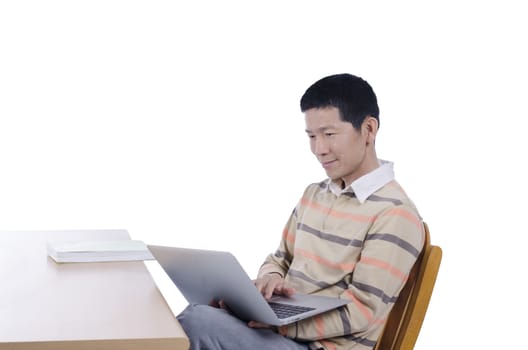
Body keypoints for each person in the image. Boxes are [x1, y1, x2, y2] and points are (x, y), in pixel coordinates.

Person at [177, 73, 424, 350]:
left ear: (368, 129)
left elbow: (362, 311)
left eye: (329, 134)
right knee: (198, 311)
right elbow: (279, 260)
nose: (319, 149)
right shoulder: (314, 194)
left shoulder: (395, 214)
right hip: (280, 332)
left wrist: (280, 324)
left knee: (197, 321)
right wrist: (271, 279)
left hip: (314, 345)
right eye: (311, 136)